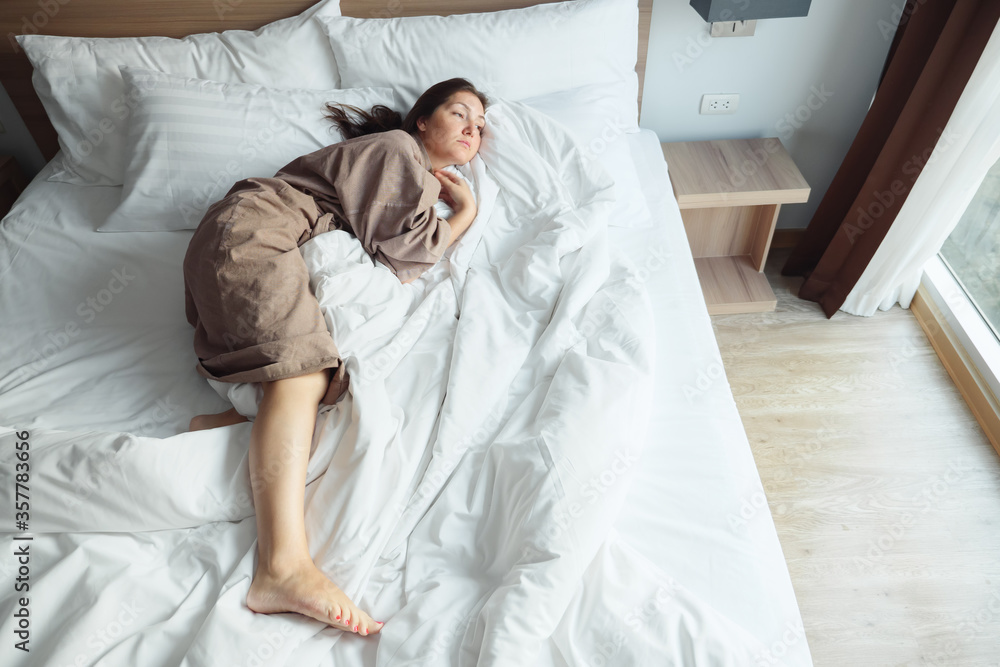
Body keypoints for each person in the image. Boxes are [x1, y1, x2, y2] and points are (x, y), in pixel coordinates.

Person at [181, 79, 489, 636]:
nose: (474, 129)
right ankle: (282, 567)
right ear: (421, 119)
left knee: (324, 385)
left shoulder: (402, 172)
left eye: (482, 126)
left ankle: (217, 427)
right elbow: (407, 255)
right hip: (255, 230)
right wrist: (464, 211)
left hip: (250, 236)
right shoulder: (398, 150)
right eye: (460, 113)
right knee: (307, 371)